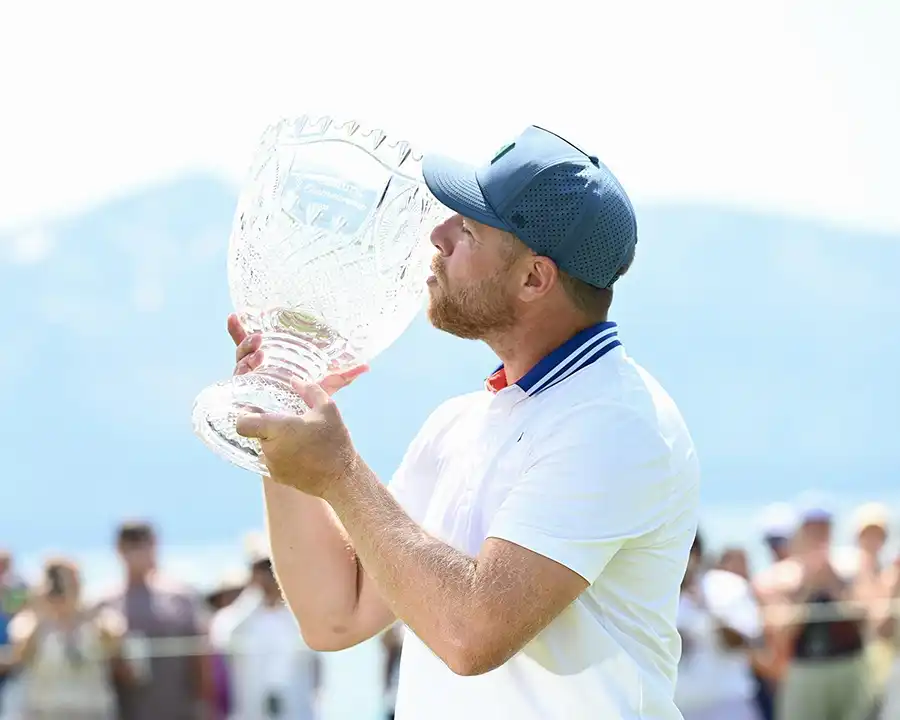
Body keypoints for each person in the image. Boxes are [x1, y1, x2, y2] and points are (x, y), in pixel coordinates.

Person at [228, 125, 700, 719]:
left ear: (534, 278)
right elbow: (335, 615)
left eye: (469, 229)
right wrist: (285, 421)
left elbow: (471, 635)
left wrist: (341, 475)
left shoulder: (615, 423)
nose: (438, 234)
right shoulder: (462, 422)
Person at [100, 521, 211, 720]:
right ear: (119, 548)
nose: (138, 552)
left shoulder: (181, 598)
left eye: (143, 543)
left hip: (181, 710)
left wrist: (204, 706)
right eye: (131, 544)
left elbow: (201, 659)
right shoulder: (105, 604)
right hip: (129, 711)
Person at [209, 533, 320, 720]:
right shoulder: (236, 615)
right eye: (263, 567)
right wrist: (254, 592)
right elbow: (221, 638)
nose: (270, 574)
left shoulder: (301, 614)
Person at [6, 558, 128, 720]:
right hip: (44, 712)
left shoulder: (99, 616)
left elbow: (116, 641)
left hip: (92, 711)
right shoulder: (29, 620)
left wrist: (83, 615)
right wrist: (42, 613)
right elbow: (20, 654)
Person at [676, 533, 762, 720]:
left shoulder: (727, 586)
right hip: (676, 708)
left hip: (728, 705)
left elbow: (745, 644)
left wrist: (708, 611)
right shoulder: (652, 595)